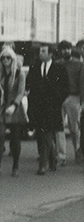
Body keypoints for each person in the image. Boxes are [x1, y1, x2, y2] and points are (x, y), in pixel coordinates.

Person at [25, 44, 69, 175]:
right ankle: (53, 159)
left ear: (50, 54)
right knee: (42, 134)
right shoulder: (34, 68)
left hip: (52, 107)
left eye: (43, 51)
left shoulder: (59, 68)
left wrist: (58, 101)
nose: (41, 53)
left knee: (47, 134)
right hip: (38, 107)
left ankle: (42, 165)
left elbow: (65, 87)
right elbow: (30, 85)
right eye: (40, 51)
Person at [0, 45, 28, 177]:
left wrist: (14, 105)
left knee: (15, 138)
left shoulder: (19, 74)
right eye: (3, 58)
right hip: (1, 108)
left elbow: (21, 92)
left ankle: (15, 166)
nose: (5, 60)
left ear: (13, 59)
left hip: (14, 108)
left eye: (8, 58)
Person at [56, 41, 83, 163]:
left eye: (67, 49)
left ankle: (78, 151)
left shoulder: (78, 64)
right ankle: (61, 156)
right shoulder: (56, 64)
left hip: (73, 97)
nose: (65, 51)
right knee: (59, 127)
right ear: (60, 51)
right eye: (63, 49)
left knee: (74, 128)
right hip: (60, 98)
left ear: (71, 50)